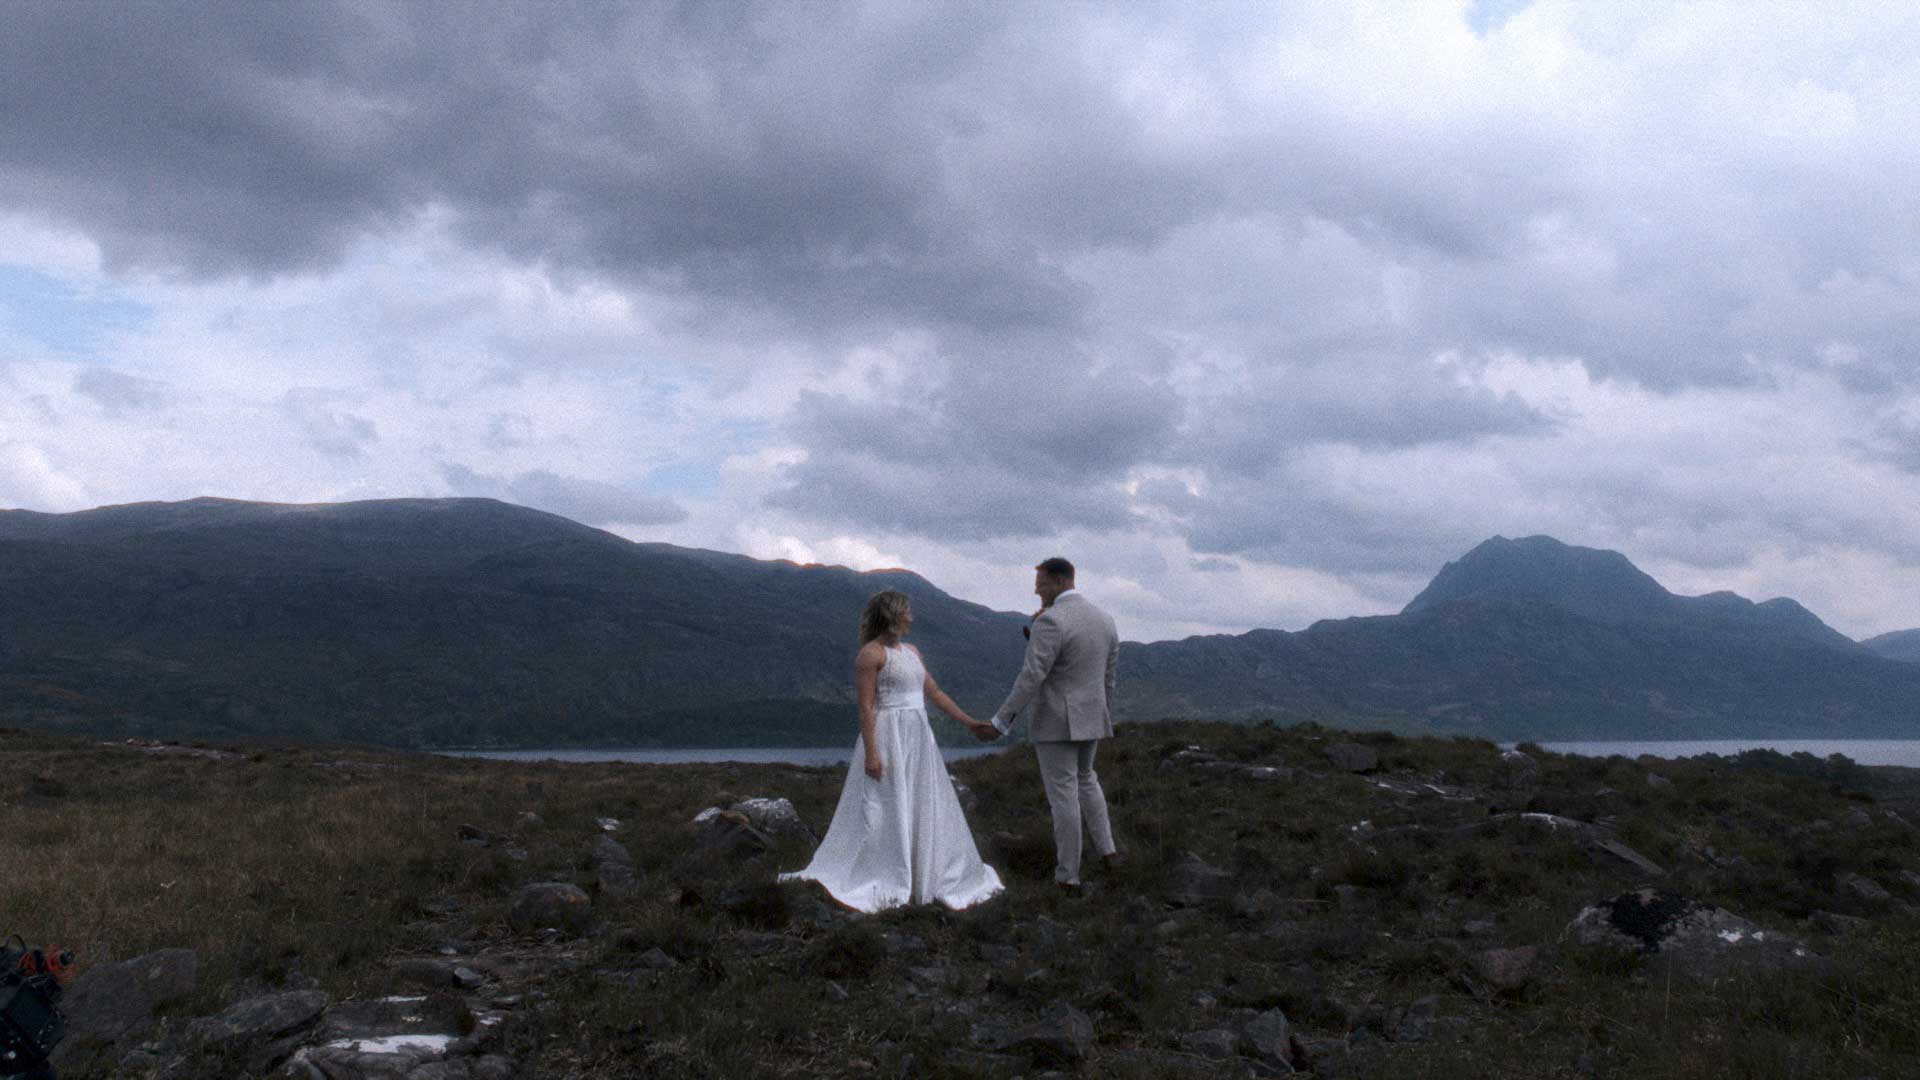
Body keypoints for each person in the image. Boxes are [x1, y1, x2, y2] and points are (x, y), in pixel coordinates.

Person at [779, 590, 1004, 912]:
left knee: (922, 801)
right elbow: (866, 708)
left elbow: (934, 693)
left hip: (917, 737)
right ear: (893, 615)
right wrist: (872, 753)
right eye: (907, 612)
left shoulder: (911, 651)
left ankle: (926, 871)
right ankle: (886, 872)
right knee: (885, 806)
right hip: (888, 736)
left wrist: (969, 723)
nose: (911, 617)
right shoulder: (869, 655)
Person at [976, 557, 1122, 892]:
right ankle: (1109, 853)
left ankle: (1068, 876)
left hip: (1056, 720)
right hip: (1092, 717)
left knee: (1064, 796)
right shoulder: (1105, 620)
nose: (1035, 590)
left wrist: (1001, 721)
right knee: (1087, 781)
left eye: (1040, 583)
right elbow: (1108, 678)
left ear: (1058, 581)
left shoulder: (1051, 622)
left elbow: (1032, 676)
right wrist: (1104, 715)